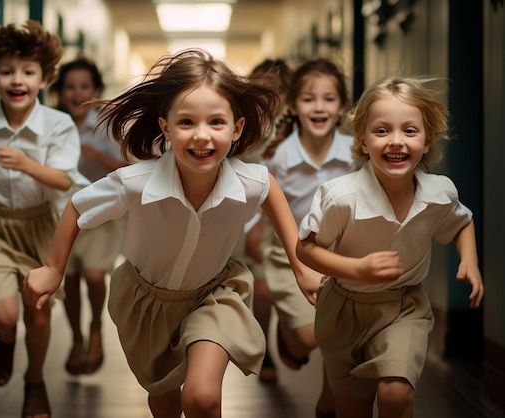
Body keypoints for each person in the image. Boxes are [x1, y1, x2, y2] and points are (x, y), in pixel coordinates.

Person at [23, 49, 307, 418]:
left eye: (216, 123)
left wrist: (301, 267)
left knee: (202, 398)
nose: (201, 136)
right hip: (147, 302)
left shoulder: (247, 179)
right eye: (187, 122)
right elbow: (77, 206)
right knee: (166, 402)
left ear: (236, 128)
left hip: (215, 293)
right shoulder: (135, 182)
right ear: (166, 127)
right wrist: (53, 268)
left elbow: (269, 188)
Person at [296, 75, 484, 418]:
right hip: (343, 310)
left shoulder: (439, 193)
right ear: (363, 141)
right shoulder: (340, 197)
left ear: (427, 141)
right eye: (382, 131)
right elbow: (306, 249)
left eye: (409, 131)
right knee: (353, 408)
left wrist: (469, 261)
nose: (396, 142)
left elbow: (462, 222)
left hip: (403, 306)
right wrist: (357, 269)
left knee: (395, 394)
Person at [0, 21, 81, 418]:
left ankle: (34, 381)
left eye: (28, 71)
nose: (17, 80)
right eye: (6, 71)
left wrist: (26, 164)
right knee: (4, 313)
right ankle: (6, 338)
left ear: (45, 77)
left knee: (38, 313)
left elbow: (63, 180)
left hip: (40, 226)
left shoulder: (58, 125)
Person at [260, 57, 353, 416]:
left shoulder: (355, 154)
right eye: (309, 99)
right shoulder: (278, 156)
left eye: (329, 99)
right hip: (290, 254)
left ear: (342, 106)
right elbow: (263, 203)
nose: (319, 107)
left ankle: (328, 403)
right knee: (309, 337)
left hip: (340, 256)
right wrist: (253, 231)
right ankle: (289, 335)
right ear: (294, 105)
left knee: (336, 334)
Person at [48, 57, 126, 375]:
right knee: (69, 278)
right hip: (64, 212)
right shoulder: (53, 125)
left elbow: (129, 170)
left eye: (84, 86)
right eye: (70, 87)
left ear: (95, 90)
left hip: (103, 212)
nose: (77, 93)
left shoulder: (106, 125)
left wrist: (98, 156)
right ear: (60, 91)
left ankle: (95, 328)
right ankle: (76, 338)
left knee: (94, 275)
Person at [233, 58, 292, 384]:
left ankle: (289, 332)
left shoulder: (295, 130)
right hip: (246, 216)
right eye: (262, 89)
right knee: (263, 290)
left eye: (278, 91)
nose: (270, 98)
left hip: (282, 219)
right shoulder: (244, 125)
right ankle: (267, 347)